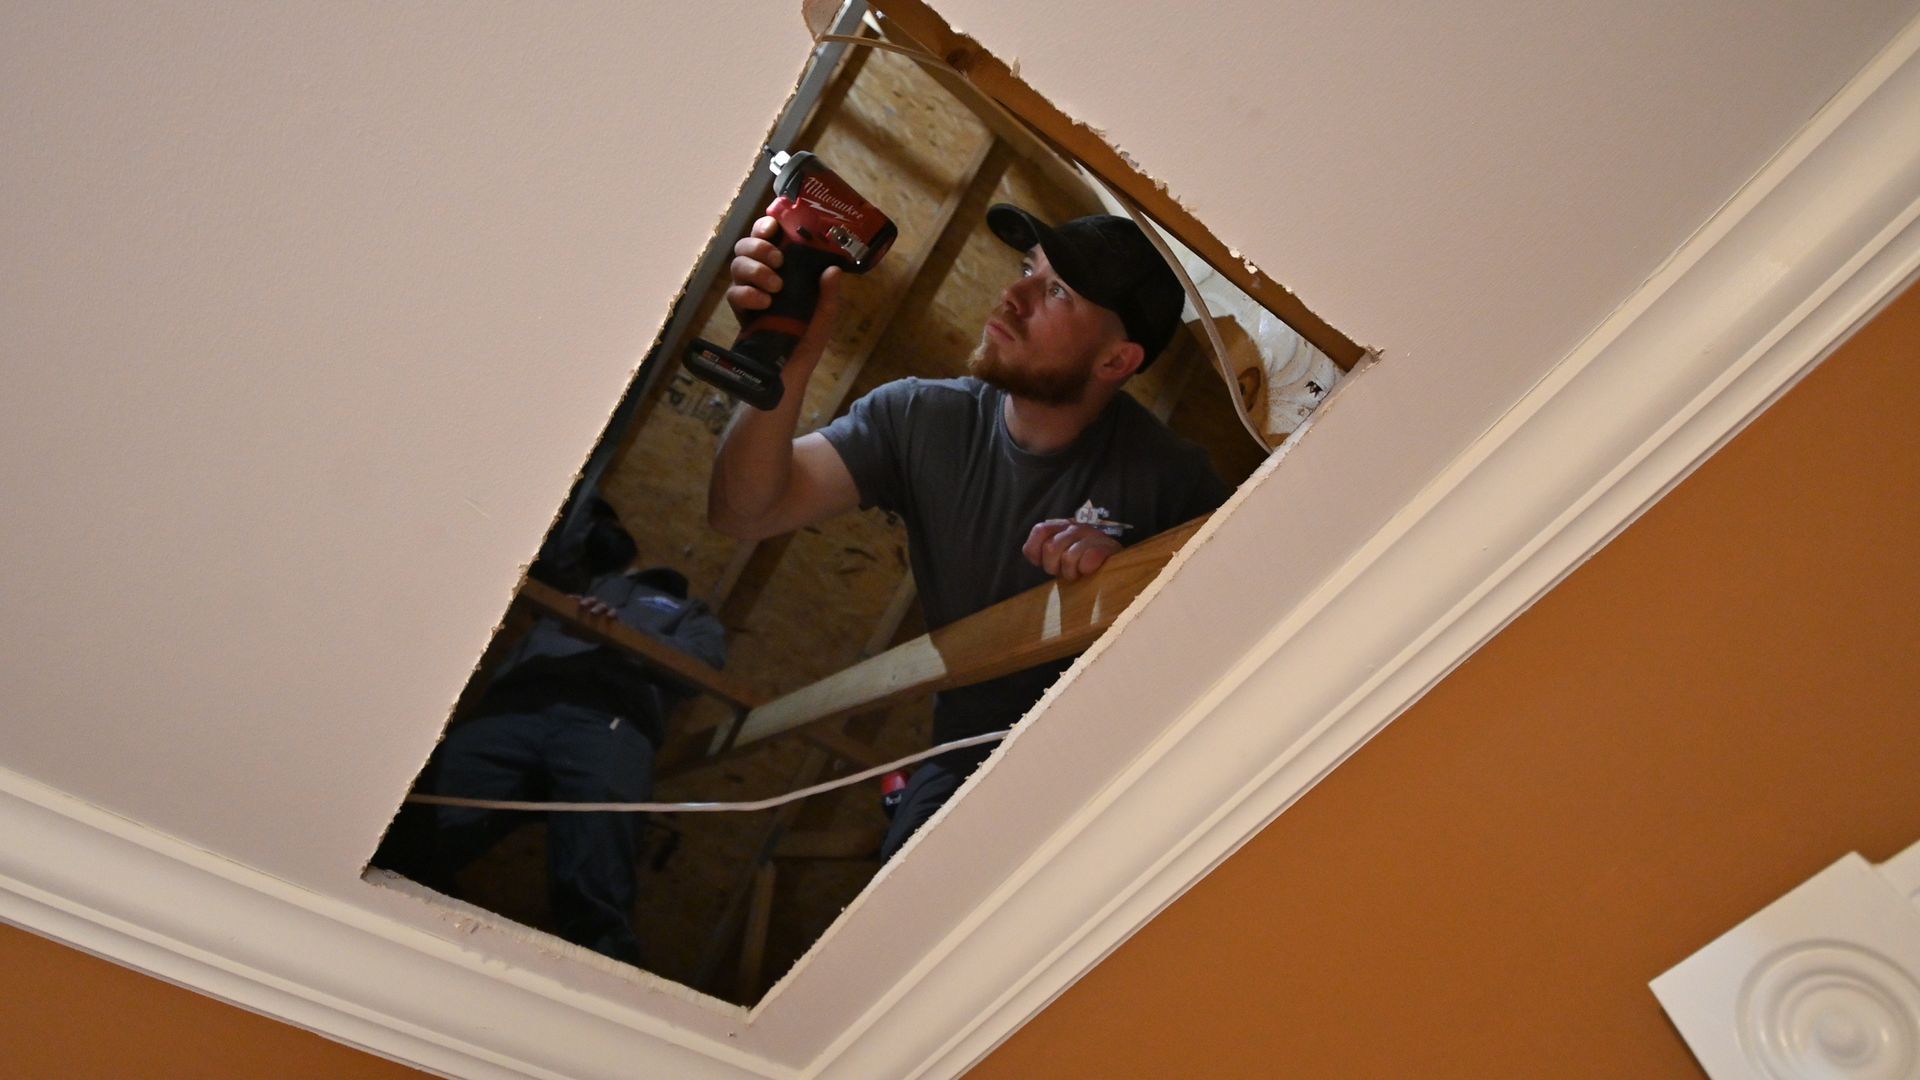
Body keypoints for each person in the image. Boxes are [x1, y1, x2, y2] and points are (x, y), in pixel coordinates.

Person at [708, 202, 1230, 859]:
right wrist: (788, 355)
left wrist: (1137, 578)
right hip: (971, 758)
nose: (1012, 297)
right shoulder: (921, 421)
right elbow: (744, 511)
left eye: (1056, 292)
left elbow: (1243, 640)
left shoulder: (1177, 483)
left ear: (1115, 361)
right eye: (1026, 269)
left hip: (1123, 771)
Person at [375, 510, 725, 965]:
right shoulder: (582, 579)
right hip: (523, 702)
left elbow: (702, 664)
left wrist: (620, 631)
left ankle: (600, 964)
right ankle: (384, 901)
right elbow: (568, 529)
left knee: (596, 852)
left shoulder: (688, 611)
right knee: (427, 816)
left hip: (610, 719)